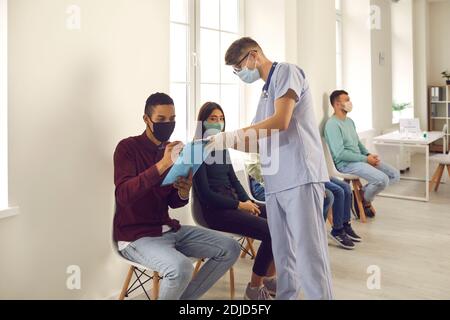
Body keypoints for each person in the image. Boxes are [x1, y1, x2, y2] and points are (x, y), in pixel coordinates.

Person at [208, 37, 333, 300]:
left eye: (238, 67)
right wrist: (213, 144)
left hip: (300, 176)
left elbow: (281, 121)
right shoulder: (265, 93)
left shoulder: (287, 72)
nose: (239, 74)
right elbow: (254, 140)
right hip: (276, 184)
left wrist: (228, 137)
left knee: (309, 254)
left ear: (253, 55)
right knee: (284, 253)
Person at [113, 93, 240, 300]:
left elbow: (173, 201)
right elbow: (124, 195)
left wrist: (183, 191)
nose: (168, 124)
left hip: (169, 229)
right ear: (146, 119)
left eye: (172, 119)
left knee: (230, 247)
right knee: (181, 268)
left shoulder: (174, 150)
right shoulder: (127, 148)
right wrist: (162, 165)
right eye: (161, 120)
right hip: (136, 236)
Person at [193, 102, 276, 300]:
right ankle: (254, 288)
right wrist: (240, 205)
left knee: (280, 217)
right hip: (211, 212)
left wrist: (249, 202)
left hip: (233, 204)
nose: (218, 123)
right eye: (213, 118)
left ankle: (269, 278)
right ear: (202, 122)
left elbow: (234, 181)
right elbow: (205, 194)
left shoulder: (222, 147)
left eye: (221, 119)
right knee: (270, 230)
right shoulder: (195, 150)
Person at [247, 157, 361, 250]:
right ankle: (310, 235)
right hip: (265, 187)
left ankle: (314, 234)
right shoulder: (259, 141)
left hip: (297, 178)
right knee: (326, 194)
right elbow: (261, 174)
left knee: (331, 193)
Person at [324, 90, 400, 217]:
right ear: (337, 104)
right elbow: (340, 154)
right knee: (383, 179)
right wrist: (365, 160)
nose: (350, 102)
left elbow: (357, 143)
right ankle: (365, 200)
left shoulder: (349, 121)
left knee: (394, 175)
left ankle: (360, 194)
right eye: (346, 100)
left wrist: (368, 155)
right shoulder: (332, 125)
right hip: (346, 164)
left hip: (359, 159)